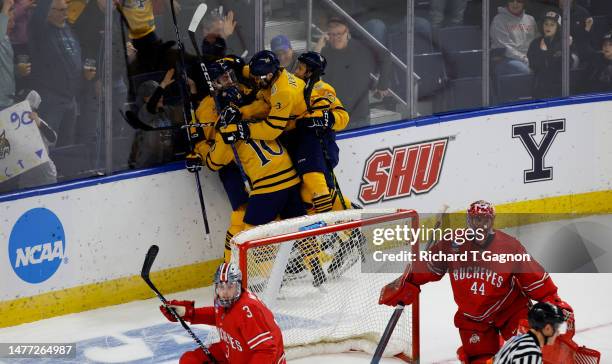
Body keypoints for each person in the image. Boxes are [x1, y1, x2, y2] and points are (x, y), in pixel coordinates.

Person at [379, 200, 573, 364]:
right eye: (476, 219)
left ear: (492, 222)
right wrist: (407, 282)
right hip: (473, 318)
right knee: (480, 360)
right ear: (468, 220)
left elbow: (535, 279)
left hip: (510, 310)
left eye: (485, 220)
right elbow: (428, 268)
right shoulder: (451, 244)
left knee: (532, 350)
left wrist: (554, 302)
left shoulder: (508, 247)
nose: (480, 225)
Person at [160, 262, 286, 364]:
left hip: (259, 359)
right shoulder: (222, 300)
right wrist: (188, 313)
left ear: (238, 286)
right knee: (190, 360)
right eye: (221, 286)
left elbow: (266, 351)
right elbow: (222, 317)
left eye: (230, 286)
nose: (224, 292)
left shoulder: (248, 309)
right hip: (234, 351)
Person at [316, 17, 392, 128]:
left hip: (359, 117)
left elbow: (385, 56)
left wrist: (383, 84)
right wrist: (318, 47)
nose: (335, 38)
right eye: (331, 34)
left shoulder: (362, 48)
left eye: (339, 34)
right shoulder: (325, 52)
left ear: (347, 32)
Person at [493, 302, 567, 364]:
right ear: (547, 328)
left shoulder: (515, 340)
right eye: (557, 328)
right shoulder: (530, 352)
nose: (558, 333)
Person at [491, 0, 538, 76]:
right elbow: (505, 48)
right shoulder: (498, 20)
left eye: (519, 1)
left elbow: (537, 42)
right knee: (526, 72)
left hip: (528, 58)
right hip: (506, 59)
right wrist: (525, 59)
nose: (515, 3)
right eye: (511, 0)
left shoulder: (530, 19)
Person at [527, 11, 565, 99]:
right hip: (540, 88)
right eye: (546, 24)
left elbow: (566, 65)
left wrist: (546, 53)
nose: (548, 27)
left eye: (552, 24)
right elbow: (535, 66)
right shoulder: (535, 43)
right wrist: (543, 53)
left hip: (560, 89)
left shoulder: (563, 43)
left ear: (558, 27)